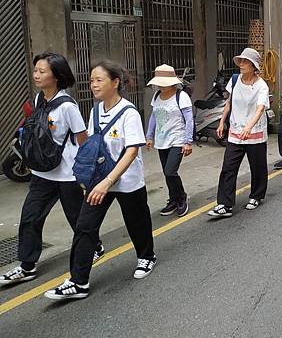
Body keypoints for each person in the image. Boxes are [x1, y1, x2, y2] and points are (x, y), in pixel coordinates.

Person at [45, 60, 156, 300]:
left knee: (137, 223)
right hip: (99, 181)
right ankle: (78, 282)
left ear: (115, 82)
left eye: (99, 80)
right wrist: (89, 177)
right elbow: (92, 147)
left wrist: (109, 181)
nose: (93, 84)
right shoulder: (95, 111)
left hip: (127, 182)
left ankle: (146, 257)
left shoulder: (129, 113)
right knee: (85, 226)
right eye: (91, 80)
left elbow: (131, 151)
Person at [0, 52, 104, 286]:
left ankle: (94, 246)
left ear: (56, 76)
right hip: (41, 173)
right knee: (30, 217)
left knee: (77, 219)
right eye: (35, 70)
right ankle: (27, 266)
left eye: (42, 71)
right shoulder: (39, 100)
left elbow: (83, 139)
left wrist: (86, 172)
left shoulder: (68, 106)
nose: (36, 75)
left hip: (67, 175)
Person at [208, 48, 270, 218]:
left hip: (255, 132)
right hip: (235, 131)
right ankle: (225, 204)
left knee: (257, 167)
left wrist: (249, 127)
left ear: (254, 66)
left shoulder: (261, 86)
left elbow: (260, 109)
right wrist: (221, 122)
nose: (241, 64)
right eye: (241, 61)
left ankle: (256, 195)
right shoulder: (234, 80)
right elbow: (228, 102)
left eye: (245, 62)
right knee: (228, 167)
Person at [145, 64, 194, 218]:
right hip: (161, 140)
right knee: (167, 174)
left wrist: (188, 141)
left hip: (177, 139)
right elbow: (153, 116)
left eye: (164, 83)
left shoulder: (181, 96)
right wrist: (149, 136)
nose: (161, 86)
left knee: (170, 171)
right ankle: (173, 199)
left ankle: (181, 197)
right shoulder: (156, 96)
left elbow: (189, 119)